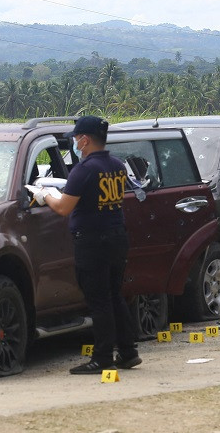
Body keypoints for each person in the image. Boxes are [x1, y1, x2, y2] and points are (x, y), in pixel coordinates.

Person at [30, 115, 141, 374]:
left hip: (92, 240)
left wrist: (45, 194)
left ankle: (102, 358)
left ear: (85, 139)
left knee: (98, 300)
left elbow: (64, 207)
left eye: (77, 138)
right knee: (115, 295)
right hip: (116, 236)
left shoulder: (83, 170)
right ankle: (128, 351)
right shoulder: (116, 165)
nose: (76, 143)